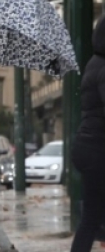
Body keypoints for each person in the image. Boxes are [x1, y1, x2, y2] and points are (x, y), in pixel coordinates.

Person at [70, 16, 105, 252]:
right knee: (91, 218)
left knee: (94, 216)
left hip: (90, 147)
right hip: (96, 150)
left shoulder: (95, 63)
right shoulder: (103, 68)